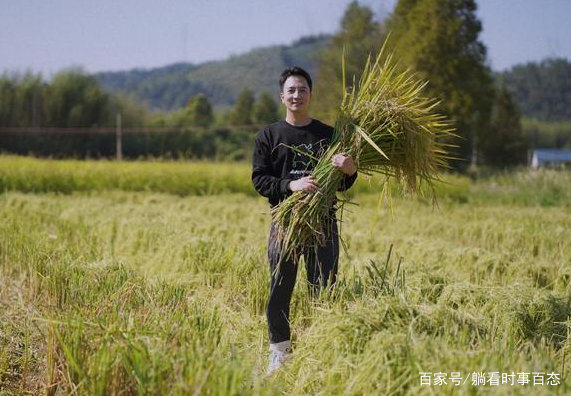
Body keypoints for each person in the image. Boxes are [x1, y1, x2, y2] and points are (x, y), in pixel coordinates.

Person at [251, 66, 358, 375]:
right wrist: (291, 185)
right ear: (282, 96)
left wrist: (350, 170)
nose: (297, 95)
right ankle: (280, 352)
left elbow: (342, 184)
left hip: (322, 222)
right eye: (291, 90)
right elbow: (260, 181)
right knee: (280, 285)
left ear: (311, 94)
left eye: (302, 89)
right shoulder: (268, 136)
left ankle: (321, 347)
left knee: (324, 285)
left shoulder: (328, 135)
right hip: (284, 221)